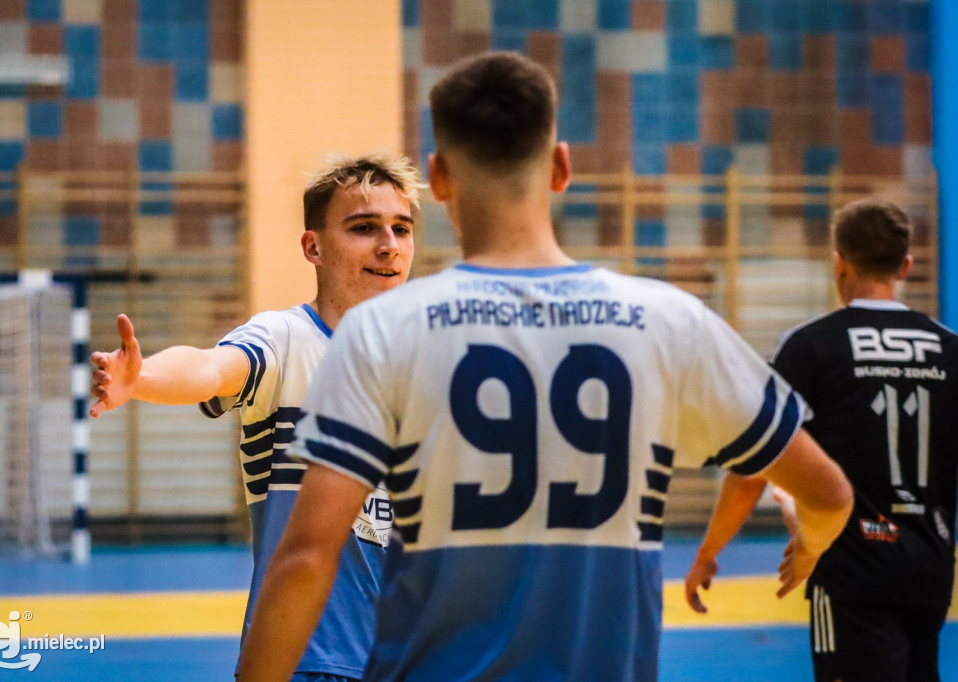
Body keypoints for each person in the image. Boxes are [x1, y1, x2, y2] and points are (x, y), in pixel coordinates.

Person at [238, 51, 853, 682]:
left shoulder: (382, 333)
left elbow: (307, 559)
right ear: (561, 166)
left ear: (440, 177)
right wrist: (811, 542)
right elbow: (830, 493)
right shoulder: (666, 320)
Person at [88, 153, 423, 680]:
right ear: (314, 246)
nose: (389, 245)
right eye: (363, 228)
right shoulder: (286, 340)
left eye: (401, 229)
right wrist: (143, 378)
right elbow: (211, 367)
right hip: (310, 665)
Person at [685, 197, 958, 682]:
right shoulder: (949, 346)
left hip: (853, 567)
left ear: (838, 262)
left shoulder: (811, 346)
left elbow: (752, 467)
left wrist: (708, 553)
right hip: (930, 566)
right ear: (906, 267)